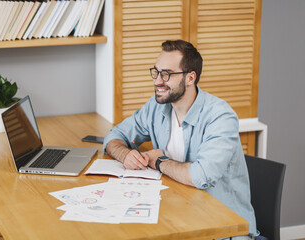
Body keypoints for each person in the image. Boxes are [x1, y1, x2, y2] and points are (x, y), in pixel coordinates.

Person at [103, 40, 257, 239]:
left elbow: (200, 176)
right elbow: (113, 136)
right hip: (181, 213)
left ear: (190, 77)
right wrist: (126, 155)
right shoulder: (158, 106)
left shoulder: (220, 117)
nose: (157, 81)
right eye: (156, 72)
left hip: (224, 228)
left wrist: (158, 162)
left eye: (166, 74)